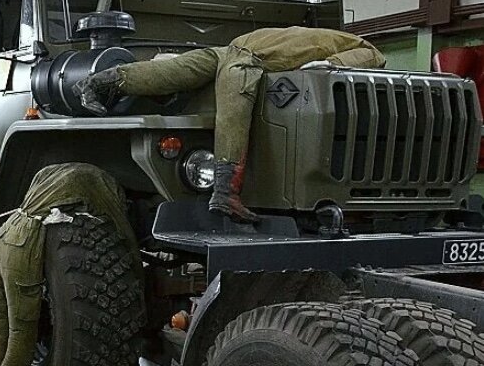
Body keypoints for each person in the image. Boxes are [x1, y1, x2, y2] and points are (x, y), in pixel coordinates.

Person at [75, 26, 386, 223]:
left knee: (172, 71)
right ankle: (225, 192)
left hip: (235, 47)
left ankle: (97, 83)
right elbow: (373, 55)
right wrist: (335, 66)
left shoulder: (324, 36)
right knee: (234, 110)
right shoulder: (359, 46)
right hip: (248, 56)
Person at [0, 163, 140, 366]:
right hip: (23, 245)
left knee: (3, 323)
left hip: (6, 235)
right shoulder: (96, 180)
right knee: (22, 335)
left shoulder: (48, 183)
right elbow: (116, 216)